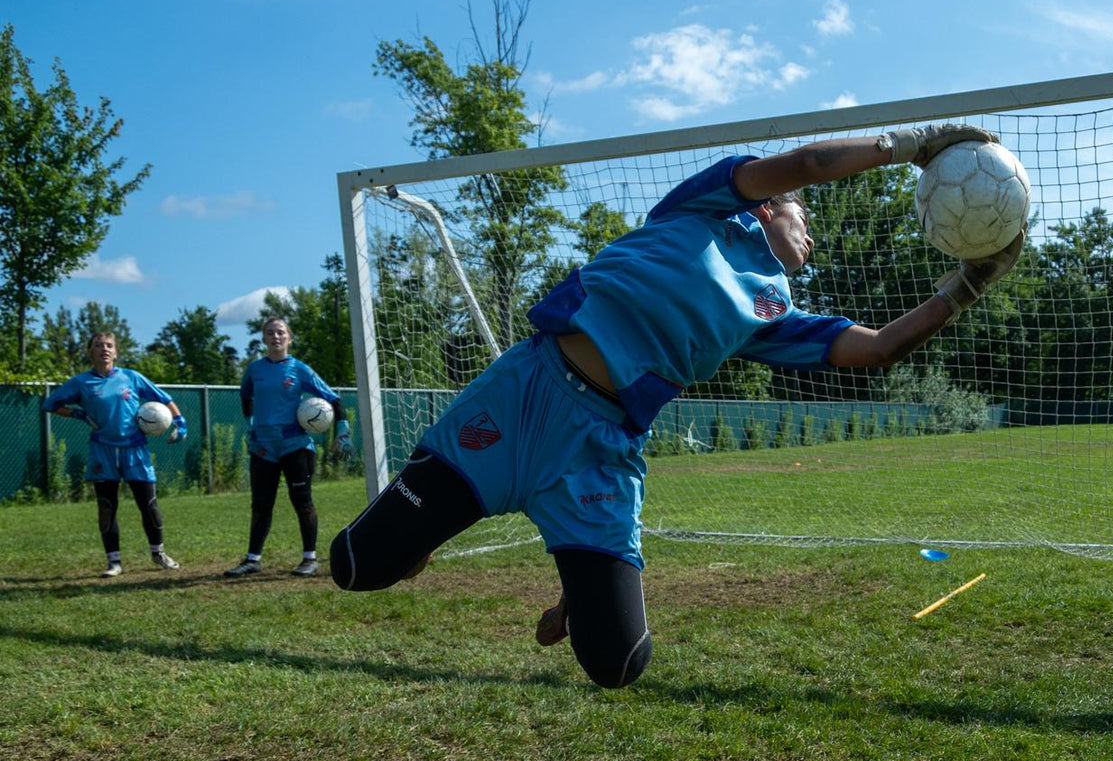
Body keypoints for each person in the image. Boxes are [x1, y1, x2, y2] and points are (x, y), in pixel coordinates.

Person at [329, 125, 1024, 687]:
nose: (810, 238)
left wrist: (969, 283)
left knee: (617, 663)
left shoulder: (770, 313)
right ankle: (424, 532)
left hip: (599, 455)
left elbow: (877, 349)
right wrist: (908, 146)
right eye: (802, 219)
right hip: (524, 398)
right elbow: (810, 160)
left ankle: (578, 578)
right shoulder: (700, 207)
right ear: (763, 208)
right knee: (357, 565)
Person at [42, 331, 187, 577]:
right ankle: (114, 562)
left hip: (135, 449)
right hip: (103, 450)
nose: (104, 349)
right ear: (91, 352)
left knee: (149, 504)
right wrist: (77, 413)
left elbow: (164, 399)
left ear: (116, 352)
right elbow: (49, 404)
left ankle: (158, 553)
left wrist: (180, 423)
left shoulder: (132, 377)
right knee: (107, 506)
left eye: (109, 345)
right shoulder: (81, 383)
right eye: (98, 345)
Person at [224, 317, 351, 578]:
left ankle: (310, 559)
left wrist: (343, 432)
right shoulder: (255, 370)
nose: (275, 337)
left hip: (296, 447)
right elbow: (245, 396)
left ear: (289, 338)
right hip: (263, 448)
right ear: (264, 339)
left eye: (281, 332)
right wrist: (250, 425)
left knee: (302, 501)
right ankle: (252, 559)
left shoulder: (300, 369)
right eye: (270, 333)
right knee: (261, 504)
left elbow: (334, 400)